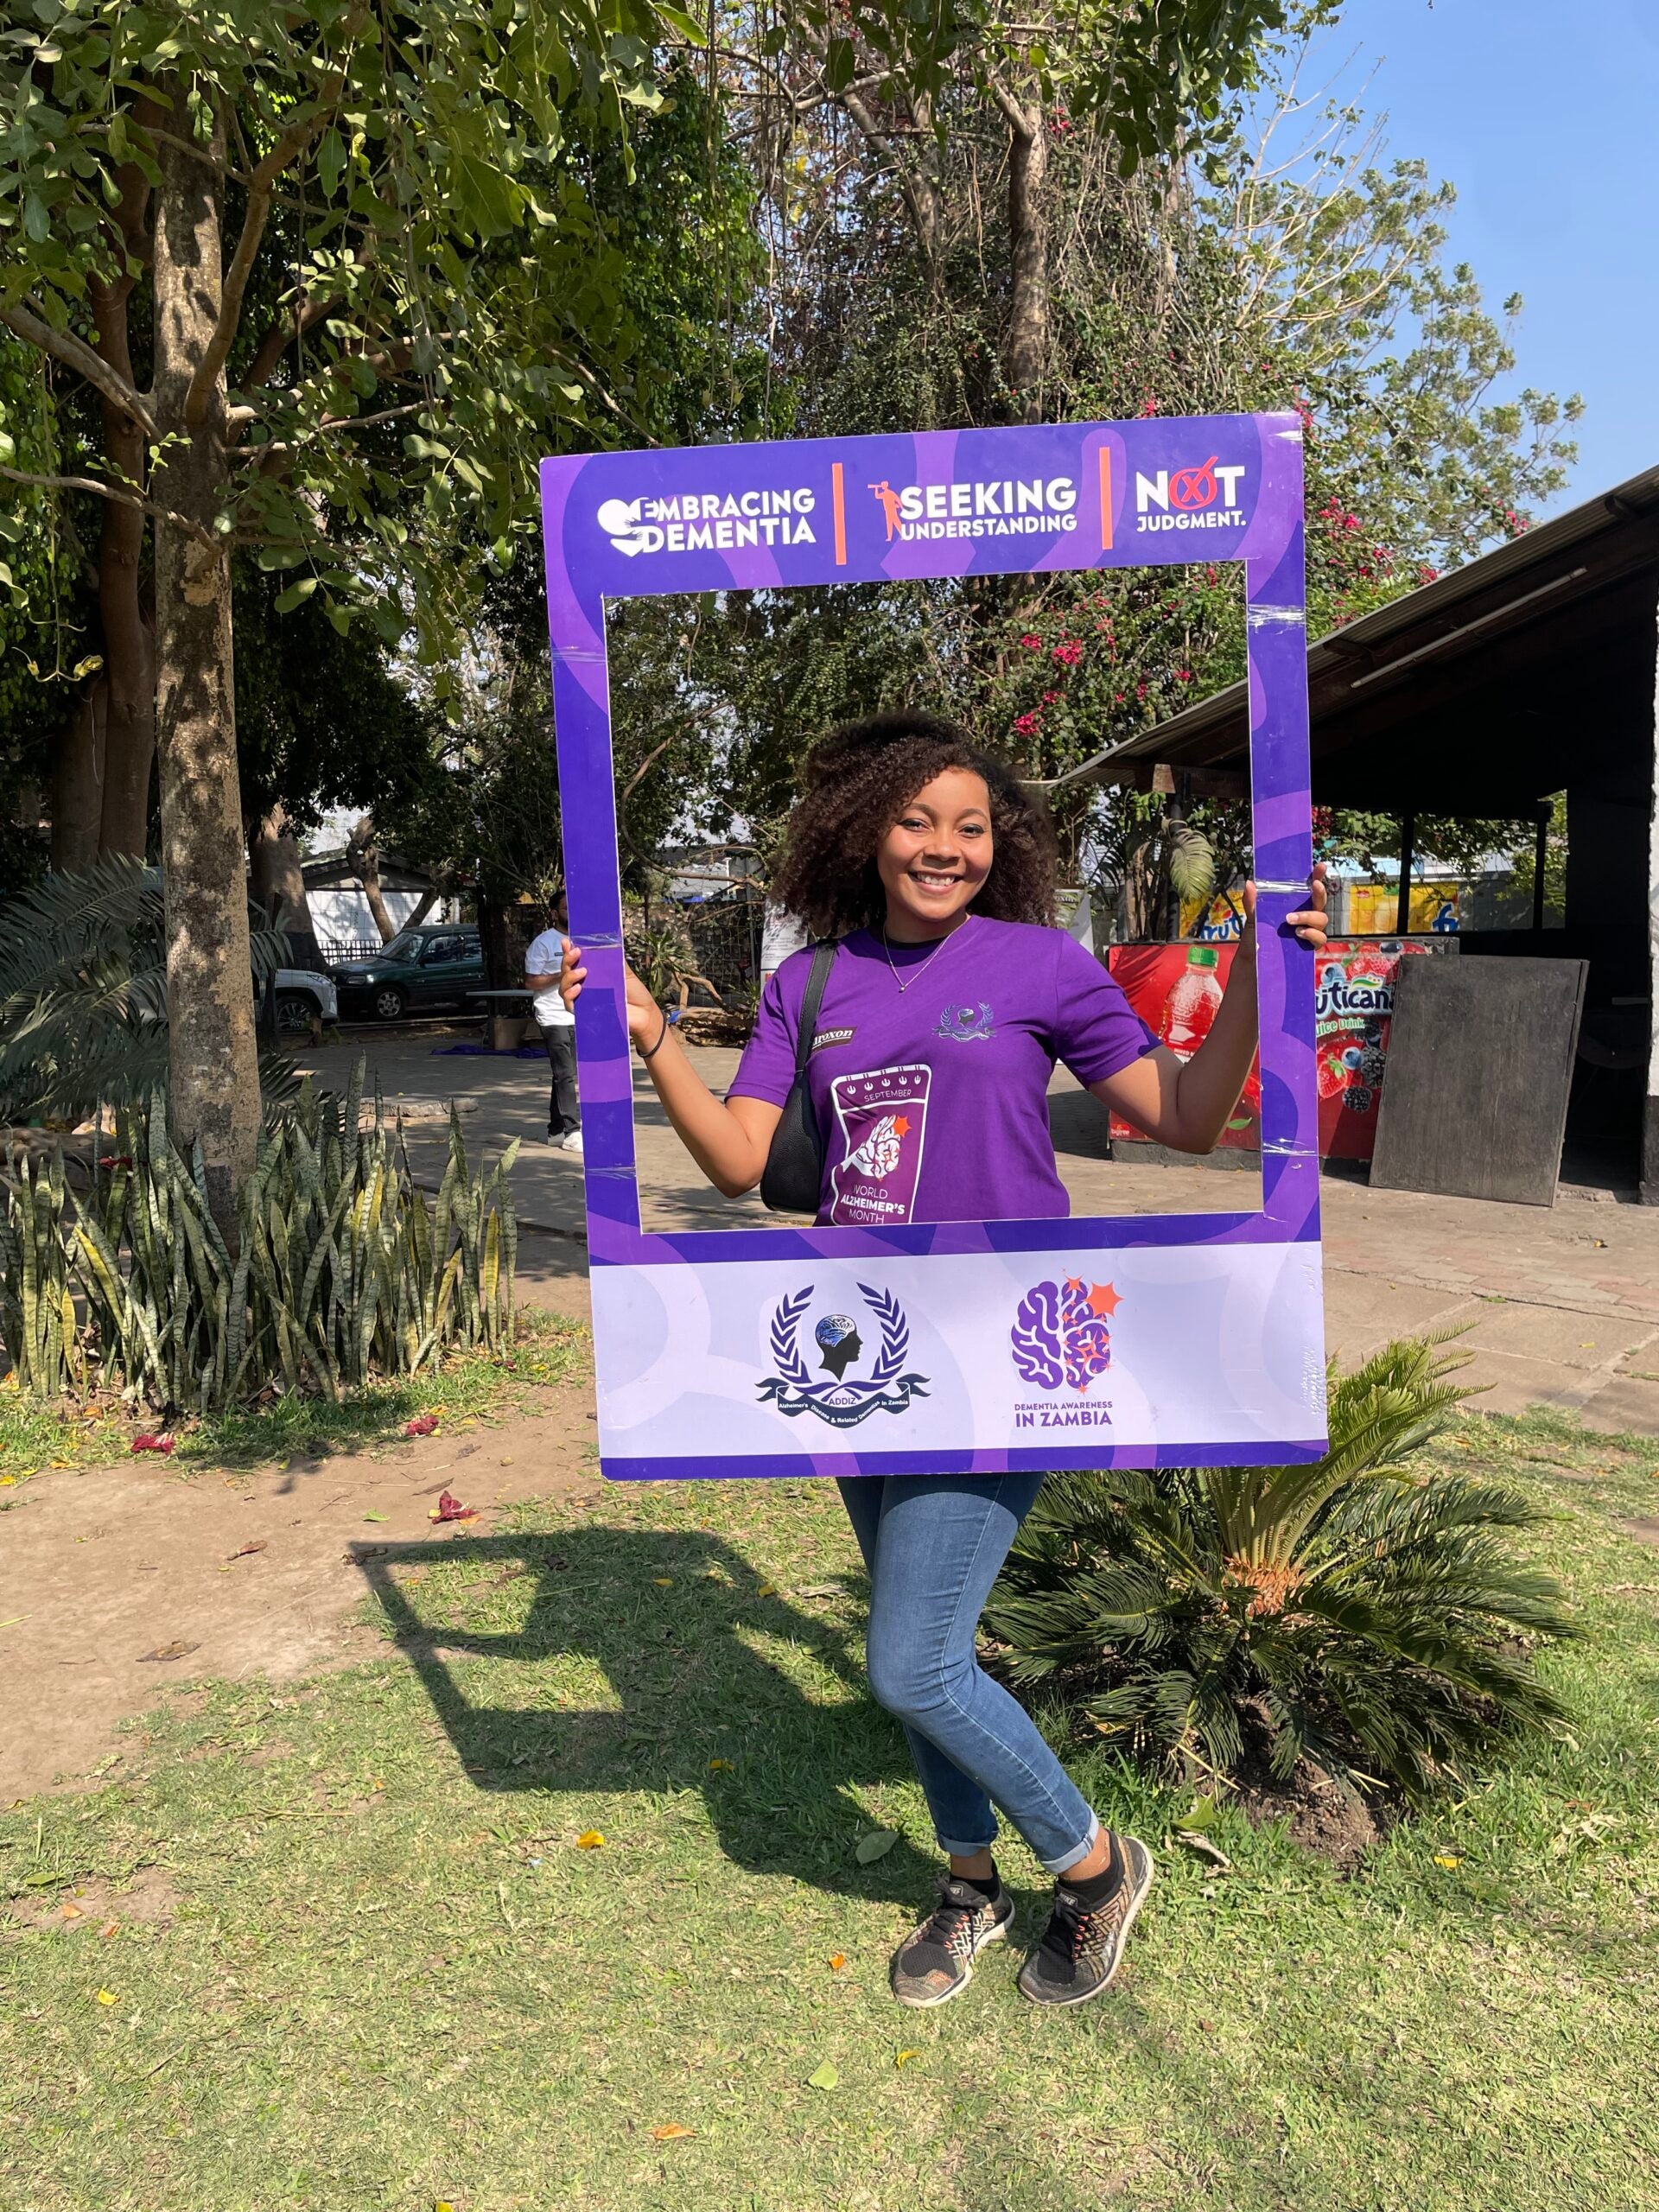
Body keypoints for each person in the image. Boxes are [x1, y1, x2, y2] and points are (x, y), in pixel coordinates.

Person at [559, 710, 1326, 2012]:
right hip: (862, 1357)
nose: (944, 846)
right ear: (864, 831)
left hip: (1011, 1355)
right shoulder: (809, 985)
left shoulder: (1043, 965)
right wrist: (650, 1037)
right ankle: (967, 1882)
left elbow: (1191, 1122)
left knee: (911, 1660)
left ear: (1002, 843)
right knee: (927, 1647)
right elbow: (746, 1166)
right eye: (918, 821)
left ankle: (1092, 1869)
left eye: (970, 825)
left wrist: (1260, 966)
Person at [524, 893, 582, 1154]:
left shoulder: (581, 942)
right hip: (552, 1016)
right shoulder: (543, 943)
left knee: (565, 1074)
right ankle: (572, 1132)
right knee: (565, 1074)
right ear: (554, 913)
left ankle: (556, 1130)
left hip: (577, 1015)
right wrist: (563, 975)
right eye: (566, 908)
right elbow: (531, 981)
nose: (572, 911)